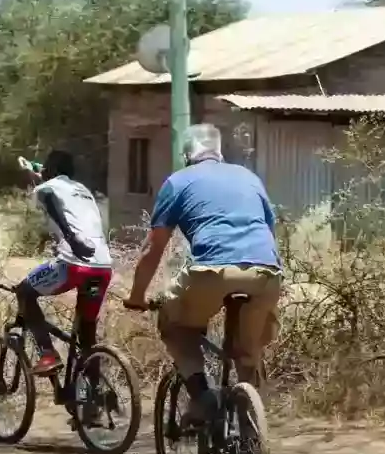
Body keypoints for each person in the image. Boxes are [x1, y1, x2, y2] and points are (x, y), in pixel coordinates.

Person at [124, 124, 282, 425]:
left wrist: (136, 296)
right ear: (219, 152)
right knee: (248, 351)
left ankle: (202, 397)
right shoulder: (249, 177)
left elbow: (153, 248)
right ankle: (250, 416)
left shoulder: (178, 181)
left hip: (212, 270)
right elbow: (270, 232)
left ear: (186, 154)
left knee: (177, 326)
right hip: (266, 272)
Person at [17, 149, 114, 377]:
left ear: (50, 171)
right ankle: (96, 393)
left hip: (73, 264)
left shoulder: (47, 188)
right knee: (86, 333)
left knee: (24, 292)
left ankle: (48, 354)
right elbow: (56, 184)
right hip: (102, 267)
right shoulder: (82, 190)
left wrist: (71, 239)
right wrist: (41, 171)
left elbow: (49, 195)